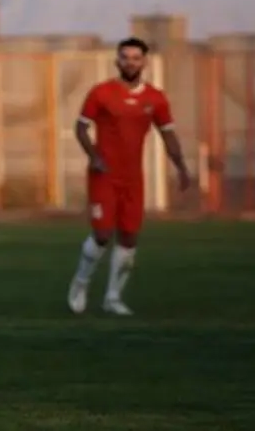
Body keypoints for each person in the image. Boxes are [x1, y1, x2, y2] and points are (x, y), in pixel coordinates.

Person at [68, 37, 191, 316]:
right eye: (125, 57)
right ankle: (81, 282)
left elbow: (168, 134)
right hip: (104, 174)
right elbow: (80, 128)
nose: (130, 62)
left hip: (133, 178)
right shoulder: (101, 93)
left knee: (129, 239)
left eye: (136, 58)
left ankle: (112, 297)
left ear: (144, 62)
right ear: (117, 60)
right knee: (101, 234)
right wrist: (94, 156)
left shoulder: (155, 98)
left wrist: (182, 167)